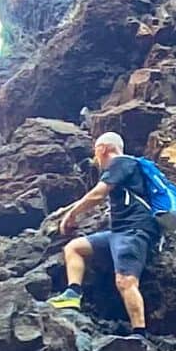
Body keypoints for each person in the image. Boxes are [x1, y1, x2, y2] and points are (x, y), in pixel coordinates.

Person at [45, 132, 161, 334]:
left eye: (96, 152)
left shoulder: (121, 163)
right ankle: (73, 293)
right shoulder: (127, 168)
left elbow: (98, 194)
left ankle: (140, 334)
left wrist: (71, 215)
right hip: (118, 232)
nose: (95, 158)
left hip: (134, 231)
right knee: (74, 247)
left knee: (126, 281)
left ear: (103, 149)